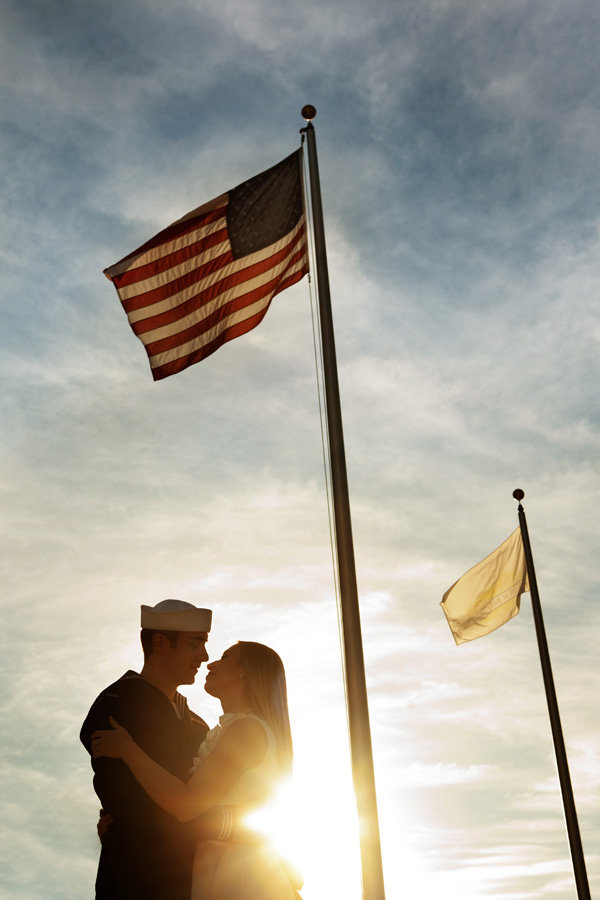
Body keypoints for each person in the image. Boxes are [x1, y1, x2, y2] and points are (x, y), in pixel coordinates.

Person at [92, 640, 300, 900]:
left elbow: (186, 805)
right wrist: (126, 832)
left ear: (245, 672)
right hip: (219, 867)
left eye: (226, 657)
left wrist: (128, 750)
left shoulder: (247, 730)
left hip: (239, 874)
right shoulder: (230, 730)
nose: (210, 663)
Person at [81, 598, 232, 899]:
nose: (204, 656)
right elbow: (135, 804)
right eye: (195, 644)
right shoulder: (117, 703)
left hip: (191, 878)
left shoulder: (196, 723)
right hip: (135, 878)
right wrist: (225, 825)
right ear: (161, 643)